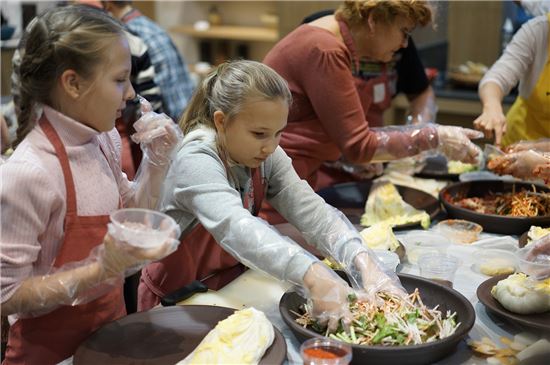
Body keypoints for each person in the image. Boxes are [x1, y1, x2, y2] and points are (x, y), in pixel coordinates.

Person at [138, 60, 405, 332]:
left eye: (279, 133)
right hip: (175, 301)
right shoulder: (196, 159)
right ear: (221, 121)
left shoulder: (265, 153)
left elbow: (311, 210)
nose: (271, 146)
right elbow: (236, 226)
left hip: (225, 287)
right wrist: (312, 274)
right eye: (259, 134)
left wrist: (363, 261)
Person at [0, 5, 182, 363]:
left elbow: (133, 220)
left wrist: (157, 165)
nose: (131, 94)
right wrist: (100, 270)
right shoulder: (30, 173)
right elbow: (7, 294)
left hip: (109, 336)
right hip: (48, 353)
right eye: (119, 79)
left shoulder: (105, 140)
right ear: (73, 83)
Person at [261, 0, 483, 223]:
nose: (405, 44)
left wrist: (349, 157)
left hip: (291, 182)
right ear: (374, 20)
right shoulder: (326, 49)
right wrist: (436, 137)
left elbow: (318, 125)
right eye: (403, 31)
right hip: (276, 189)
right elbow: (359, 145)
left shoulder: (329, 39)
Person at [103, 1, 195, 120]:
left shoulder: (129, 35)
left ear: (108, 4)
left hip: (167, 119)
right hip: (187, 111)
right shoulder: (149, 25)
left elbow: (149, 99)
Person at [474, 13, 550, 147]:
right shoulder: (539, 30)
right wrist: (492, 107)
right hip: (516, 141)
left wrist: (538, 149)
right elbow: (496, 77)